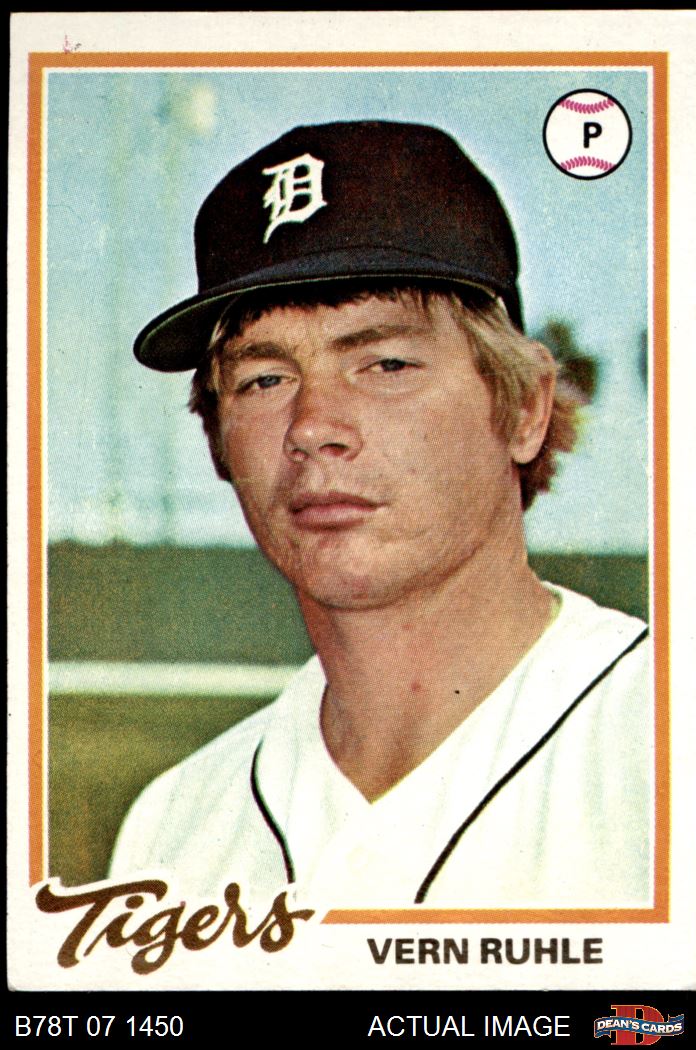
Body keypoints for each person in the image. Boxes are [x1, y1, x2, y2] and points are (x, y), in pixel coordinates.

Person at [110, 120, 650, 911]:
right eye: (264, 379)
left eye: (386, 363)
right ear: (218, 438)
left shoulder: (665, 738)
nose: (312, 425)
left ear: (524, 409)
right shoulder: (173, 824)